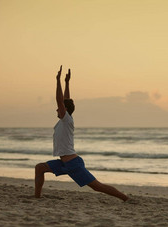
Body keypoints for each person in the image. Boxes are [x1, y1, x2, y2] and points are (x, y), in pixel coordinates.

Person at [34, 65, 129, 202]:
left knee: (97, 187)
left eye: (59, 109)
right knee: (39, 168)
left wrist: (58, 80)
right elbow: (65, 100)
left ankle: (125, 198)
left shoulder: (66, 120)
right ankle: (37, 197)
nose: (57, 110)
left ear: (64, 110)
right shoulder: (64, 120)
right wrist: (67, 83)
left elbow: (60, 101)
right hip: (63, 163)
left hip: (73, 164)